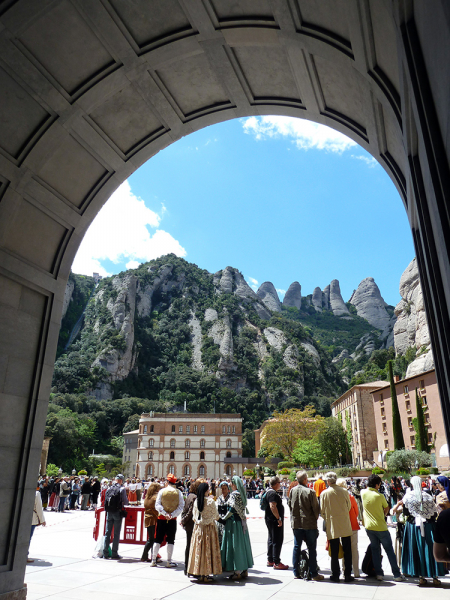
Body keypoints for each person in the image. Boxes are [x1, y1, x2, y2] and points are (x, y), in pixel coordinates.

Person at [361, 474, 406, 582]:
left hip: (369, 526)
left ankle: (379, 573)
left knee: (375, 550)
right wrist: (383, 514)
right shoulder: (379, 496)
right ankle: (396, 574)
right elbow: (386, 508)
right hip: (380, 527)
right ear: (377, 484)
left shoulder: (363, 493)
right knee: (389, 550)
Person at [401, 476, 445, 586]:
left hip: (413, 527)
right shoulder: (428, 496)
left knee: (417, 550)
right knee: (430, 550)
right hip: (429, 526)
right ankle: (435, 577)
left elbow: (406, 513)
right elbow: (433, 513)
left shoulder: (408, 497)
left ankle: (421, 577)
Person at [287, 471, 323, 581]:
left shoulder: (292, 490)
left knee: (296, 547)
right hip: (309, 524)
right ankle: (313, 573)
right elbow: (316, 509)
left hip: (297, 523)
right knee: (312, 548)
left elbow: (289, 504)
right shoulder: (310, 492)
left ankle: (296, 572)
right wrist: (315, 517)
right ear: (305, 480)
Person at [320, 472, 353, 582]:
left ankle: (335, 574)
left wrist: (327, 517)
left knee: (334, 551)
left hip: (332, 523)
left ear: (328, 481)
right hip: (344, 522)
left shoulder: (324, 493)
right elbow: (348, 506)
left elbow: (322, 511)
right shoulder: (344, 491)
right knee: (347, 550)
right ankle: (348, 574)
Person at [187, 482, 222, 582]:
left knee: (199, 550)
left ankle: (199, 572)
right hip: (209, 528)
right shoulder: (211, 502)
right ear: (207, 490)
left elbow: (194, 517)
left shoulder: (196, 501)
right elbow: (216, 516)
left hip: (198, 528)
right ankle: (206, 574)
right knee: (207, 550)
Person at [220, 475, 254, 580]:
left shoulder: (234, 495)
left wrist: (223, 519)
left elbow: (232, 509)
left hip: (233, 524)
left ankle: (237, 572)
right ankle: (244, 570)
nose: (229, 484)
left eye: (231, 483)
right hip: (241, 523)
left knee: (235, 547)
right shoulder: (241, 494)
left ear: (234, 484)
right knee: (242, 546)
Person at [151, 473, 184, 567]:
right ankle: (169, 561)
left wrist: (165, 513)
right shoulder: (179, 492)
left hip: (161, 518)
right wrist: (172, 514)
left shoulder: (162, 491)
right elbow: (180, 507)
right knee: (171, 540)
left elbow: (157, 505)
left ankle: (153, 560)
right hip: (172, 519)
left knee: (157, 539)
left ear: (167, 482)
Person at [263, 476, 288, 570]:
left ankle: (270, 559)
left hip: (269, 519)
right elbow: (273, 506)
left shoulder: (268, 491)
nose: (280, 485)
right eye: (279, 483)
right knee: (277, 540)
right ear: (276, 484)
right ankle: (277, 561)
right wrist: (278, 518)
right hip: (274, 520)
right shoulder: (273, 494)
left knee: (271, 538)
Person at [336, 478, 360, 578]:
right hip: (353, 525)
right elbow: (356, 511)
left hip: (342, 525)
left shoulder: (336, 498)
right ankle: (356, 571)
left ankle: (344, 569)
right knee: (354, 549)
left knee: (344, 548)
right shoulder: (350, 497)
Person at [103, 474, 128, 560]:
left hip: (109, 512)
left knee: (107, 532)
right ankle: (114, 553)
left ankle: (105, 553)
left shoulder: (109, 488)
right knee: (116, 533)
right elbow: (125, 501)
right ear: (121, 480)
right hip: (117, 512)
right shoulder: (122, 489)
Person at [181, 479, 201, 575]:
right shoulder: (195, 497)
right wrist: (184, 520)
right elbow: (190, 512)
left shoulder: (189, 496)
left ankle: (186, 567)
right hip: (191, 524)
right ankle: (189, 568)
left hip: (187, 525)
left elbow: (184, 509)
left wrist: (182, 520)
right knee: (191, 546)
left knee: (188, 546)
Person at [141, 482, 160, 562]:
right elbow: (157, 510)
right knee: (152, 539)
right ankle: (147, 556)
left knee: (151, 539)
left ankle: (149, 556)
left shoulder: (147, 497)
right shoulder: (155, 498)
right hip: (154, 519)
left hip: (148, 519)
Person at [28, 482, 46, 562]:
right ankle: (24, 555)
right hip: (32, 518)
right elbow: (39, 507)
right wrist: (42, 520)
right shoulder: (36, 494)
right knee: (28, 538)